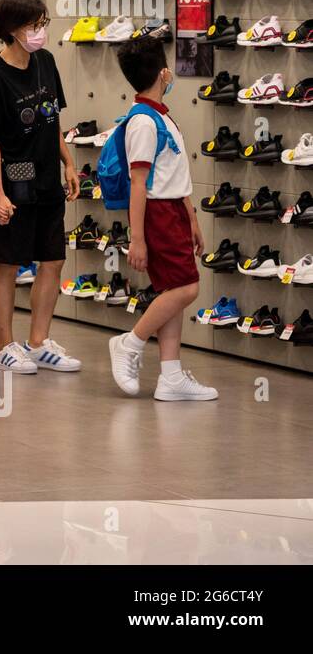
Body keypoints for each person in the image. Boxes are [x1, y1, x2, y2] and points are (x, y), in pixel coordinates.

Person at [0, 0, 82, 374]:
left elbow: (52, 120)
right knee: (7, 263)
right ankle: (4, 347)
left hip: (48, 180)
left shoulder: (46, 62)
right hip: (14, 181)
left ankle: (38, 342)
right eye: (34, 25)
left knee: (52, 260)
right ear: (11, 30)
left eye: (42, 23)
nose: (40, 31)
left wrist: (69, 163)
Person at [107, 37, 217, 401]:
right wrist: (137, 238)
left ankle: (170, 376)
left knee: (173, 292)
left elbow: (174, 176)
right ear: (162, 73)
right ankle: (130, 342)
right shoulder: (142, 122)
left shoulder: (161, 115)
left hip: (174, 211)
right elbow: (140, 184)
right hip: (157, 213)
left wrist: (193, 219)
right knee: (188, 288)